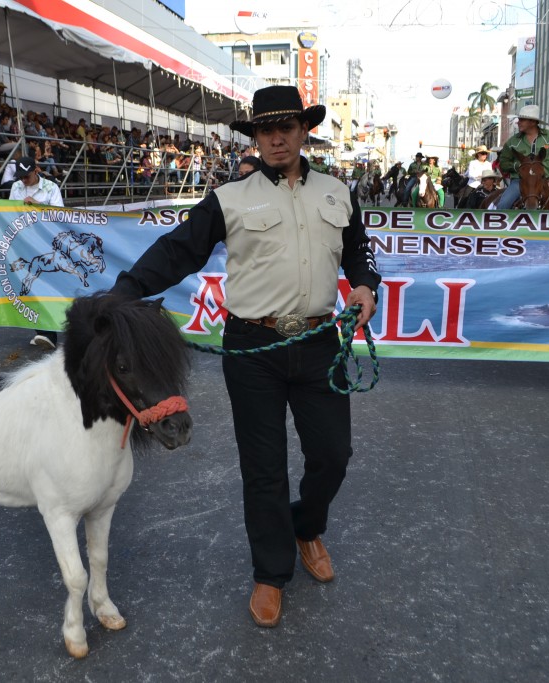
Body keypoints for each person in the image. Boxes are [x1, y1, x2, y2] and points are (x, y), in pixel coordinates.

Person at [111, 85, 381, 629]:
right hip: (253, 348)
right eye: (265, 129)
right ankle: (270, 571)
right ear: (255, 137)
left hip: (318, 341)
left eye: (287, 127)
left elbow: (357, 249)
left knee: (333, 455)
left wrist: (365, 285)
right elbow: (179, 250)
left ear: (305, 131)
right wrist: (121, 294)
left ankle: (306, 528)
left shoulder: (337, 191)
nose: (276, 137)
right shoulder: (230, 197)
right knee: (264, 470)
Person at [0, 156, 64, 350]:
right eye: (20, 176)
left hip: (45, 242)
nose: (23, 180)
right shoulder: (16, 187)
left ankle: (48, 331)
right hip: (24, 240)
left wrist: (37, 204)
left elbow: (60, 214)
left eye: (27, 176)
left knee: (46, 284)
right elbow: (10, 211)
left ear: (36, 170)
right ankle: (43, 330)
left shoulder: (50, 188)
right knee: (28, 283)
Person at [494, 105, 549, 210]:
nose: (518, 122)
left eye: (522, 120)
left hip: (545, 181)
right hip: (519, 181)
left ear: (533, 122)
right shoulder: (512, 141)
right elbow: (503, 162)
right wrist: (518, 167)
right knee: (503, 206)